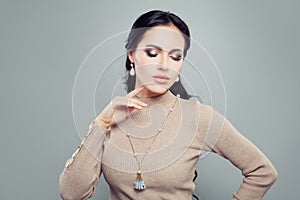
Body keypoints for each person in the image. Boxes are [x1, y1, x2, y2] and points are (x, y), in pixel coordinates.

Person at [59, 10, 278, 200]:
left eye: (175, 57)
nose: (164, 65)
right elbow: (71, 194)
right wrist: (101, 123)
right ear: (132, 55)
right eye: (153, 53)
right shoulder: (110, 119)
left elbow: (262, 171)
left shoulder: (198, 117)